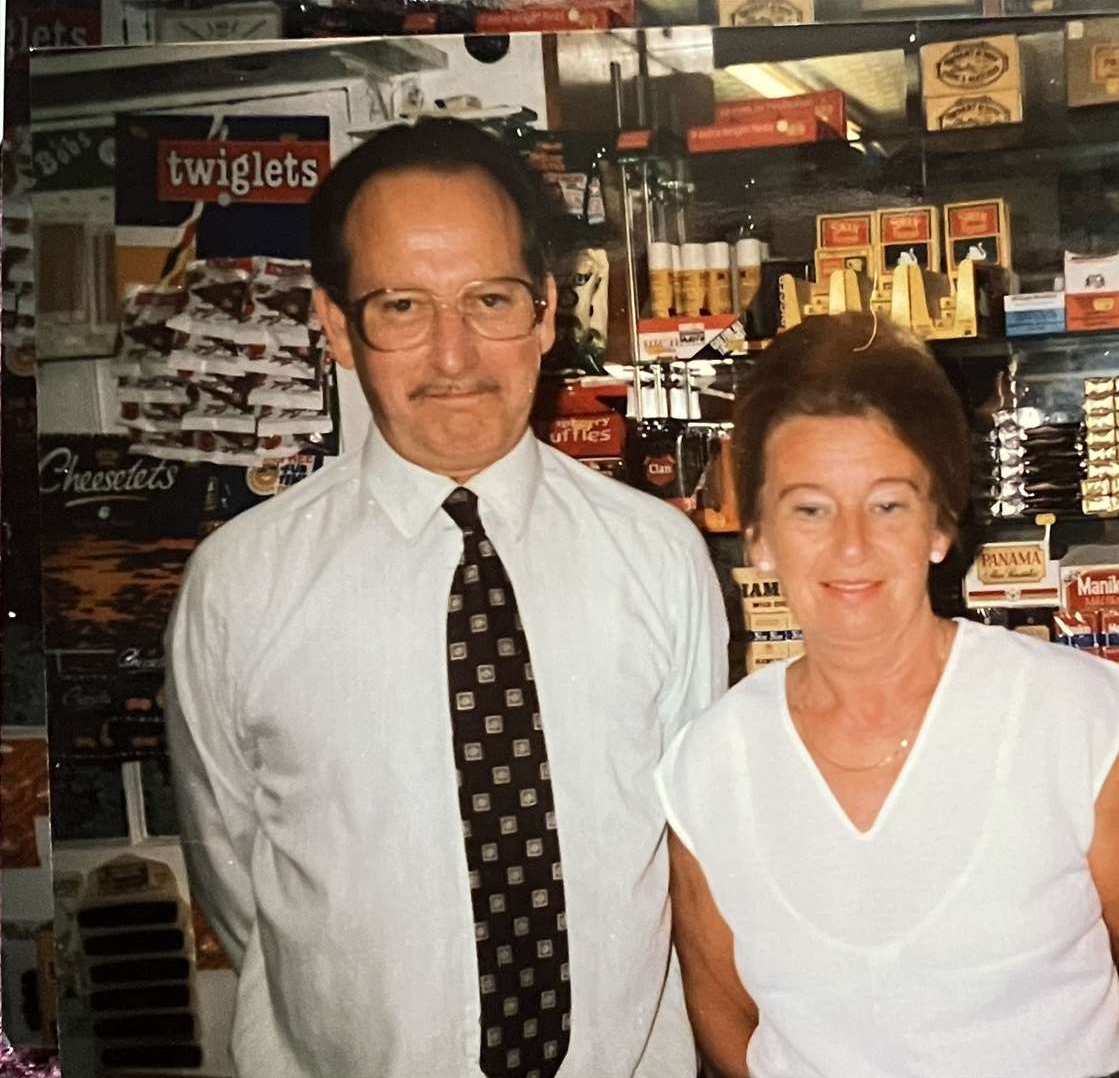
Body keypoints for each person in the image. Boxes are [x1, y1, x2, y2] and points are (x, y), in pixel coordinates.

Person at [166, 118, 728, 1078]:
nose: (455, 355)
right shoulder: (239, 584)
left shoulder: (660, 557)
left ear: (548, 313)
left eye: (490, 299)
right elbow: (233, 871)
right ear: (338, 326)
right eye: (401, 307)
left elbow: (697, 850)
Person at [657, 312, 1119, 1078]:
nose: (851, 545)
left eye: (887, 504)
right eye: (809, 508)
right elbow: (727, 1021)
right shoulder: (708, 765)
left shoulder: (1070, 720)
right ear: (757, 534)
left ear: (938, 526)